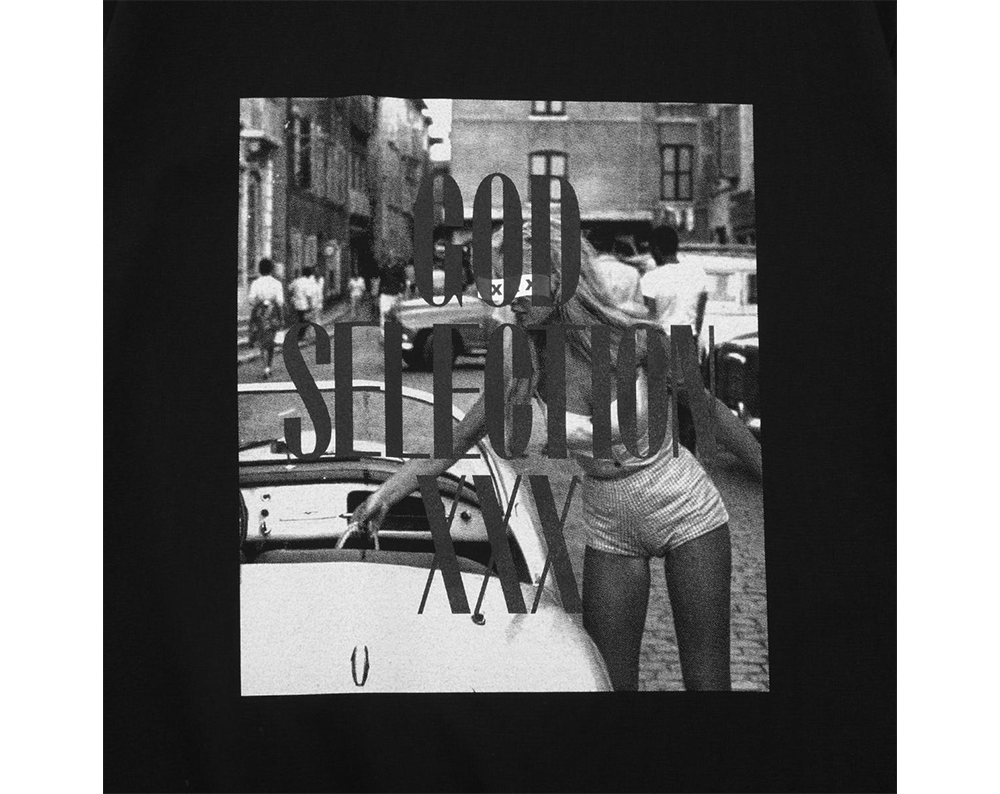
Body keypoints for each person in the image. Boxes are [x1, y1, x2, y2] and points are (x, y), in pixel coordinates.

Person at [351, 220, 733, 691]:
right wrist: (385, 494)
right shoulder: (521, 362)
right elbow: (453, 442)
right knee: (610, 685)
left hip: (686, 507)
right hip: (610, 524)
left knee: (708, 684)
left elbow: (713, 413)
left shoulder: (635, 340)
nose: (510, 298)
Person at [641, 226, 763, 478]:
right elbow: (700, 312)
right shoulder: (696, 273)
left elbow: (651, 318)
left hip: (662, 341)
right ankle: (687, 458)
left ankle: (667, 463)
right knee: (689, 407)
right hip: (689, 339)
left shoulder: (651, 279)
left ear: (656, 250)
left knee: (671, 404)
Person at [246, 258, 284, 379]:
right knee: (271, 341)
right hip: (273, 313)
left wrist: (260, 302)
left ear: (259, 269)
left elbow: (251, 300)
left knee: (262, 340)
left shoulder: (255, 283)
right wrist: (281, 317)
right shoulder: (277, 283)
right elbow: (280, 302)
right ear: (271, 269)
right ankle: (269, 366)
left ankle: (265, 367)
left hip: (260, 313)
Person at [289, 266, 320, 341]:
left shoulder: (296, 281)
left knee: (300, 319)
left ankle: (299, 335)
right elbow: (308, 296)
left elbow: (289, 289)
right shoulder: (308, 283)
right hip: (304, 305)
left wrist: (293, 296)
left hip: (295, 304)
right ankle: (300, 336)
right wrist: (311, 306)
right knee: (305, 321)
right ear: (310, 274)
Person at [378, 258, 407, 339]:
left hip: (395, 294)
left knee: (396, 313)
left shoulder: (399, 269)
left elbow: (403, 281)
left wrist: (401, 292)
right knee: (384, 312)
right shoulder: (383, 269)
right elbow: (381, 282)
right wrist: (379, 294)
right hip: (385, 294)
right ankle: (384, 332)